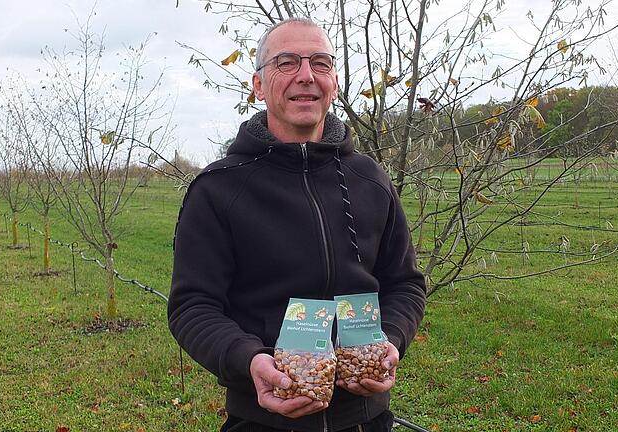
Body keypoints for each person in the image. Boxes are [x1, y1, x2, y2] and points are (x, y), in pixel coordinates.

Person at [168, 17, 426, 432]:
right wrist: (249, 360)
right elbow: (192, 308)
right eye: (286, 62)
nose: (306, 76)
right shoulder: (217, 189)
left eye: (320, 63)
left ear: (334, 83)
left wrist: (391, 340)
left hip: (368, 419)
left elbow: (405, 284)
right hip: (263, 419)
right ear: (258, 84)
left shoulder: (371, 180)